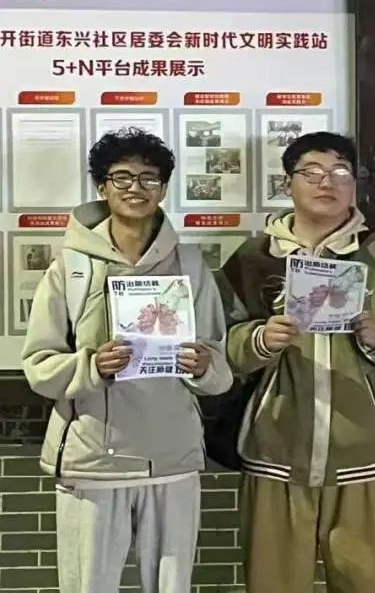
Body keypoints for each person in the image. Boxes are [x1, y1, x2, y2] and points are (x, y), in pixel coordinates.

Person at [221, 132, 375, 593]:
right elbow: (219, 344)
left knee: (364, 585)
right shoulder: (254, 258)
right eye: (312, 172)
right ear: (288, 182)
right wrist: (259, 340)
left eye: (340, 172)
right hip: (275, 452)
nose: (327, 182)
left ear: (355, 183)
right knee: (272, 585)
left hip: (364, 456)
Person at [22, 128, 232, 593]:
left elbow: (219, 367)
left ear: (163, 187)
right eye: (121, 177)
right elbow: (39, 365)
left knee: (172, 586)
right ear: (102, 187)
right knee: (88, 585)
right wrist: (92, 366)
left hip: (173, 456)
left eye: (148, 177)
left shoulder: (190, 264)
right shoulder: (71, 268)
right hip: (94, 460)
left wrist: (202, 365)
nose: (135, 187)